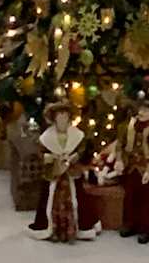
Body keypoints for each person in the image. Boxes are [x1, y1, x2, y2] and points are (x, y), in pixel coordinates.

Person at [28, 103, 100, 243]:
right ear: (54, 118)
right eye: (59, 115)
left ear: (69, 117)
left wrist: (75, 156)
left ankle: (80, 227)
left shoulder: (77, 135)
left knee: (78, 198)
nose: (62, 118)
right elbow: (40, 154)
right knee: (48, 198)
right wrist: (49, 158)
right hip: (54, 173)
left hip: (72, 172)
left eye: (65, 115)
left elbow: (83, 151)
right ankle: (51, 228)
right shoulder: (46, 137)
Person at [118, 97, 149, 242]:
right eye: (140, 109)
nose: (141, 113)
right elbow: (121, 144)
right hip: (132, 167)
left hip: (146, 169)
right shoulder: (130, 127)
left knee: (147, 200)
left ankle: (146, 228)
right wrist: (120, 159)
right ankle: (130, 223)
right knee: (131, 197)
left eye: (145, 111)